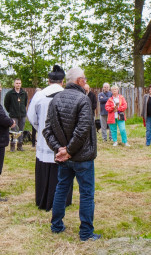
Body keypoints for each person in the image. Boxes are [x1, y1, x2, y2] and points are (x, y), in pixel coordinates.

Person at [43, 67, 100, 241]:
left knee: (61, 188)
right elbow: (82, 130)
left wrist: (62, 150)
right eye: (84, 78)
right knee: (86, 193)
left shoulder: (55, 100)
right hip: (80, 157)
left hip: (67, 155)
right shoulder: (82, 99)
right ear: (79, 81)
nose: (85, 81)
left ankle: (56, 225)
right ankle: (85, 233)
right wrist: (64, 151)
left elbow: (47, 130)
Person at [27, 65, 73, 211]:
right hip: (63, 141)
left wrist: (40, 128)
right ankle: (63, 201)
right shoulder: (68, 94)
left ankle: (44, 198)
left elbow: (31, 116)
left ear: (48, 80)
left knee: (45, 168)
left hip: (44, 138)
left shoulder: (39, 95)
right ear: (62, 81)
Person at [4, 78, 28, 152]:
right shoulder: (10, 93)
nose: (18, 85)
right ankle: (12, 146)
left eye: (19, 83)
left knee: (21, 131)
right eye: (17, 83)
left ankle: (20, 146)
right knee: (14, 131)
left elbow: (25, 103)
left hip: (22, 115)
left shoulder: (24, 93)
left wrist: (23, 110)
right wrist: (11, 111)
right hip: (14, 115)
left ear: (21, 84)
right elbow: (6, 104)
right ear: (14, 84)